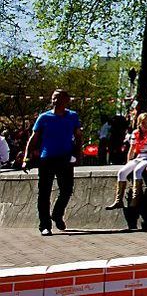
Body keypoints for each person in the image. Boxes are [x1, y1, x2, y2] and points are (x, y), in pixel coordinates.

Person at [23, 89, 82, 236]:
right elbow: (33, 138)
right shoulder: (44, 117)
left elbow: (79, 136)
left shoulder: (72, 116)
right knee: (44, 193)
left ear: (66, 100)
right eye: (54, 98)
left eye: (59, 98)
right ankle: (45, 225)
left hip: (65, 158)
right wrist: (26, 158)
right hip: (47, 158)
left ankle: (57, 214)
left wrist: (78, 153)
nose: (56, 101)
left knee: (67, 190)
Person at [106, 112, 147, 210]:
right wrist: (128, 162)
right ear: (139, 123)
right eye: (143, 123)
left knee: (137, 170)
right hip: (139, 156)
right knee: (122, 172)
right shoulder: (135, 133)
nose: (146, 125)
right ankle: (118, 200)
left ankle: (135, 198)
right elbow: (132, 149)